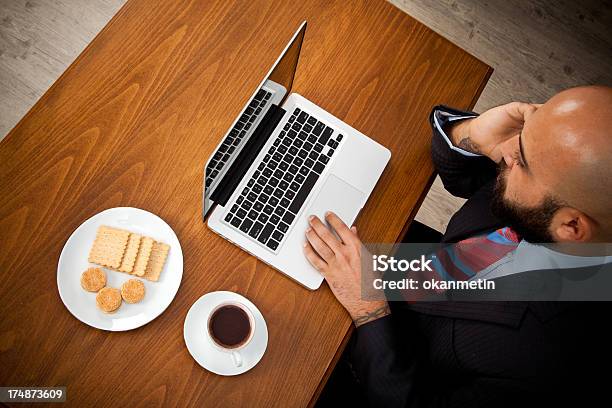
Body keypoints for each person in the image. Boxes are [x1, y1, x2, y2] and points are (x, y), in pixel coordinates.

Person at [305, 86, 612, 407]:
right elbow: (464, 173)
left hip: (364, 365)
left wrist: (368, 310)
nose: (507, 152)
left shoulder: (549, 368)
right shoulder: (553, 184)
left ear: (572, 227)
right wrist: (471, 134)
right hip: (395, 259)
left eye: (520, 159)